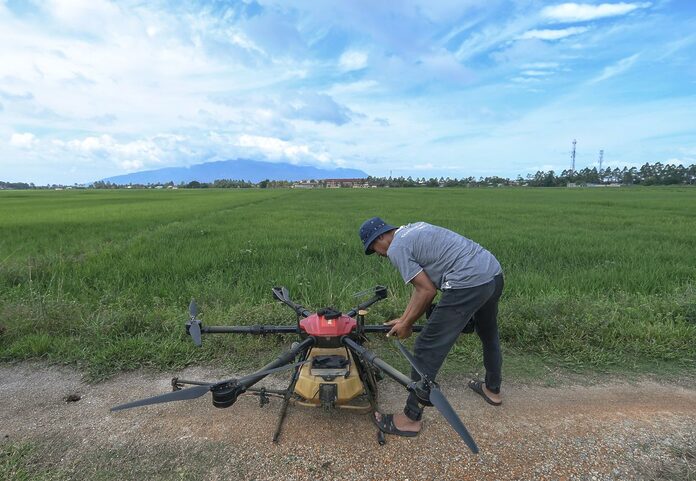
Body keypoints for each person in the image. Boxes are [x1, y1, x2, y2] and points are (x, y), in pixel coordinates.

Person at [359, 217, 504, 437]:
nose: (379, 254)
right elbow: (422, 289)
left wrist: (407, 325)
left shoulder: (397, 248)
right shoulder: (413, 228)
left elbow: (426, 291)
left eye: (374, 248)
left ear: (381, 237)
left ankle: (410, 418)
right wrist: (404, 319)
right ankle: (492, 389)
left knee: (427, 347)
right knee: (488, 332)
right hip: (492, 273)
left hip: (467, 283)